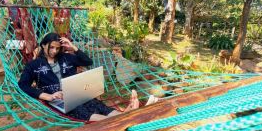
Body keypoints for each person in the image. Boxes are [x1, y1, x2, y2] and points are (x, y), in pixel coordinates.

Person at [18, 32, 158, 121]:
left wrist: (74, 48)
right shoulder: (34, 65)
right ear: (43, 45)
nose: (54, 51)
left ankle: (126, 114)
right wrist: (47, 96)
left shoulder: (66, 58)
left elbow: (87, 62)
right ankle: (127, 115)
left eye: (58, 48)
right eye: (51, 47)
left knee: (97, 105)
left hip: (76, 93)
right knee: (80, 110)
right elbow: (23, 85)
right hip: (58, 100)